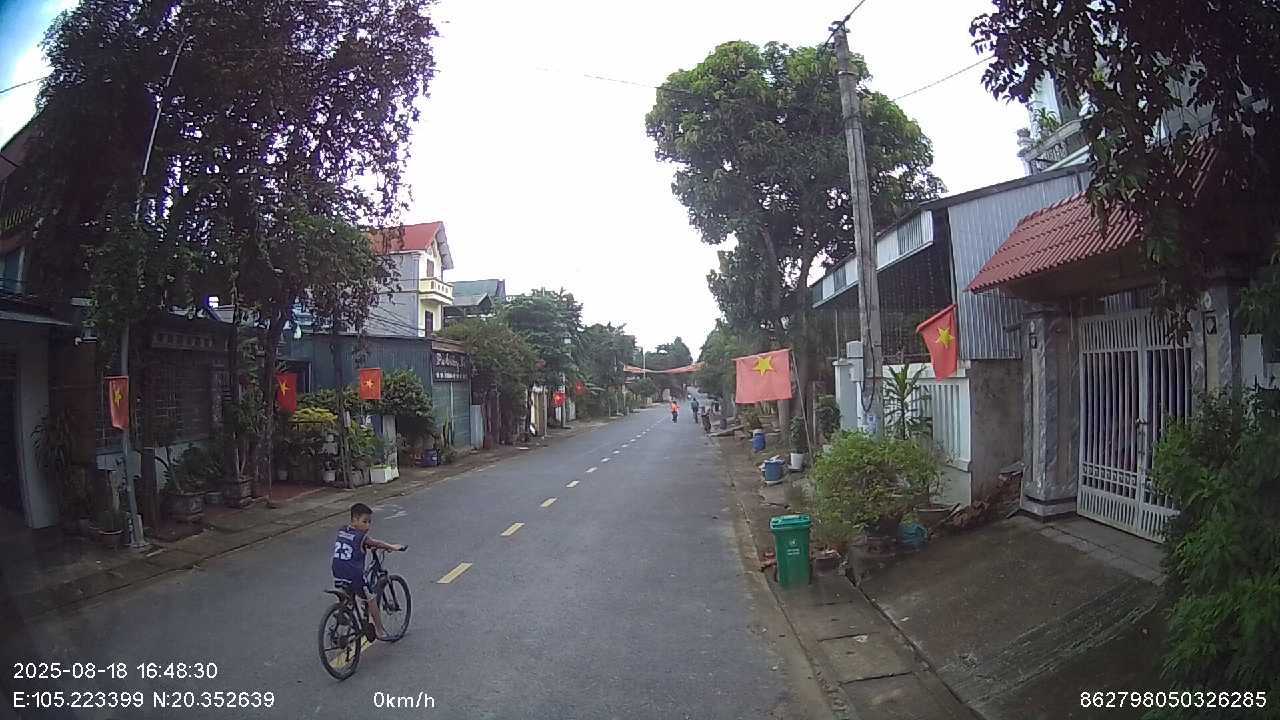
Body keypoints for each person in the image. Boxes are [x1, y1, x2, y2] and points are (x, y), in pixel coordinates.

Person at [331, 503, 405, 641]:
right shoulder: (361, 537)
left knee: (348, 593)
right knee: (371, 598)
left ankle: (343, 612)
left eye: (369, 522)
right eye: (364, 522)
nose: (368, 526)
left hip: (337, 570)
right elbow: (376, 543)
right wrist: (392, 547)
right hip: (353, 574)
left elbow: (352, 545)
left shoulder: (342, 530)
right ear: (354, 520)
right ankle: (379, 630)